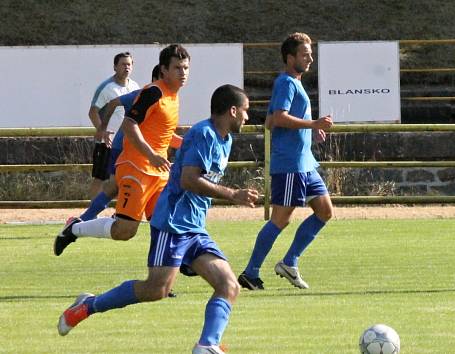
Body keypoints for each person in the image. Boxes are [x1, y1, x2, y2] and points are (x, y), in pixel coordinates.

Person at [57, 84, 258, 354]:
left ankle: (207, 345)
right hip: (172, 224)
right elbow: (189, 179)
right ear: (232, 111)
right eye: (245, 111)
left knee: (229, 286)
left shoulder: (225, 139)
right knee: (156, 290)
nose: (247, 117)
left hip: (194, 228)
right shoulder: (204, 134)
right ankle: (87, 306)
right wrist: (233, 194)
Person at [54, 44, 190, 256]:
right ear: (163, 70)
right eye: (177, 68)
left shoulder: (174, 96)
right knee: (125, 230)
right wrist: (103, 129)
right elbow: (128, 124)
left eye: (185, 68)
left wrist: (188, 143)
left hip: (159, 173)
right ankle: (76, 228)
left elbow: (162, 135)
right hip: (136, 166)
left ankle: (162, 275)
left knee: (164, 224)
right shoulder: (153, 92)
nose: (183, 73)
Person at [238, 32, 333, 290]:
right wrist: (313, 123)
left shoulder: (293, 83)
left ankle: (289, 262)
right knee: (281, 219)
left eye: (311, 53)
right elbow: (279, 117)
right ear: (290, 58)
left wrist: (309, 131)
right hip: (290, 165)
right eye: (305, 54)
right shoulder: (286, 83)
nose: (310, 58)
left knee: (325, 211)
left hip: (305, 162)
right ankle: (250, 272)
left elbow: (270, 121)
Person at [77, 65, 182, 222]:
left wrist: (187, 143)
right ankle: (92, 219)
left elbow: (167, 136)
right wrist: (102, 127)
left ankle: (87, 219)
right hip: (125, 149)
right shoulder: (144, 95)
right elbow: (114, 104)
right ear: (158, 79)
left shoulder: (167, 100)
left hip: (141, 155)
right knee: (113, 185)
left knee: (114, 187)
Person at [88, 52, 140, 199]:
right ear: (115, 67)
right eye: (123, 64)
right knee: (101, 178)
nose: (126, 67)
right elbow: (92, 112)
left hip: (126, 142)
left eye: (129, 64)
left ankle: (120, 214)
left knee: (124, 178)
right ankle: (90, 216)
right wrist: (102, 131)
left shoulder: (135, 86)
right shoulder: (106, 87)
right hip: (108, 141)